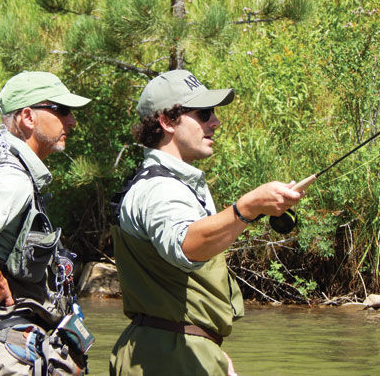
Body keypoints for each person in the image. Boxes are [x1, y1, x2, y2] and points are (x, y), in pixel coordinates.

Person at [109, 69, 304, 375]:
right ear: (167, 121)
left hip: (177, 350)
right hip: (168, 357)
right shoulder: (161, 188)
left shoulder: (168, 182)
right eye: (203, 113)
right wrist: (248, 207)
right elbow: (187, 245)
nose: (216, 122)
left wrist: (209, 348)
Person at [0, 71, 91, 375]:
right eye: (61, 111)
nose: (72, 121)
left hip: (3, 344)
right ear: (28, 117)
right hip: (3, 351)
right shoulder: (13, 178)